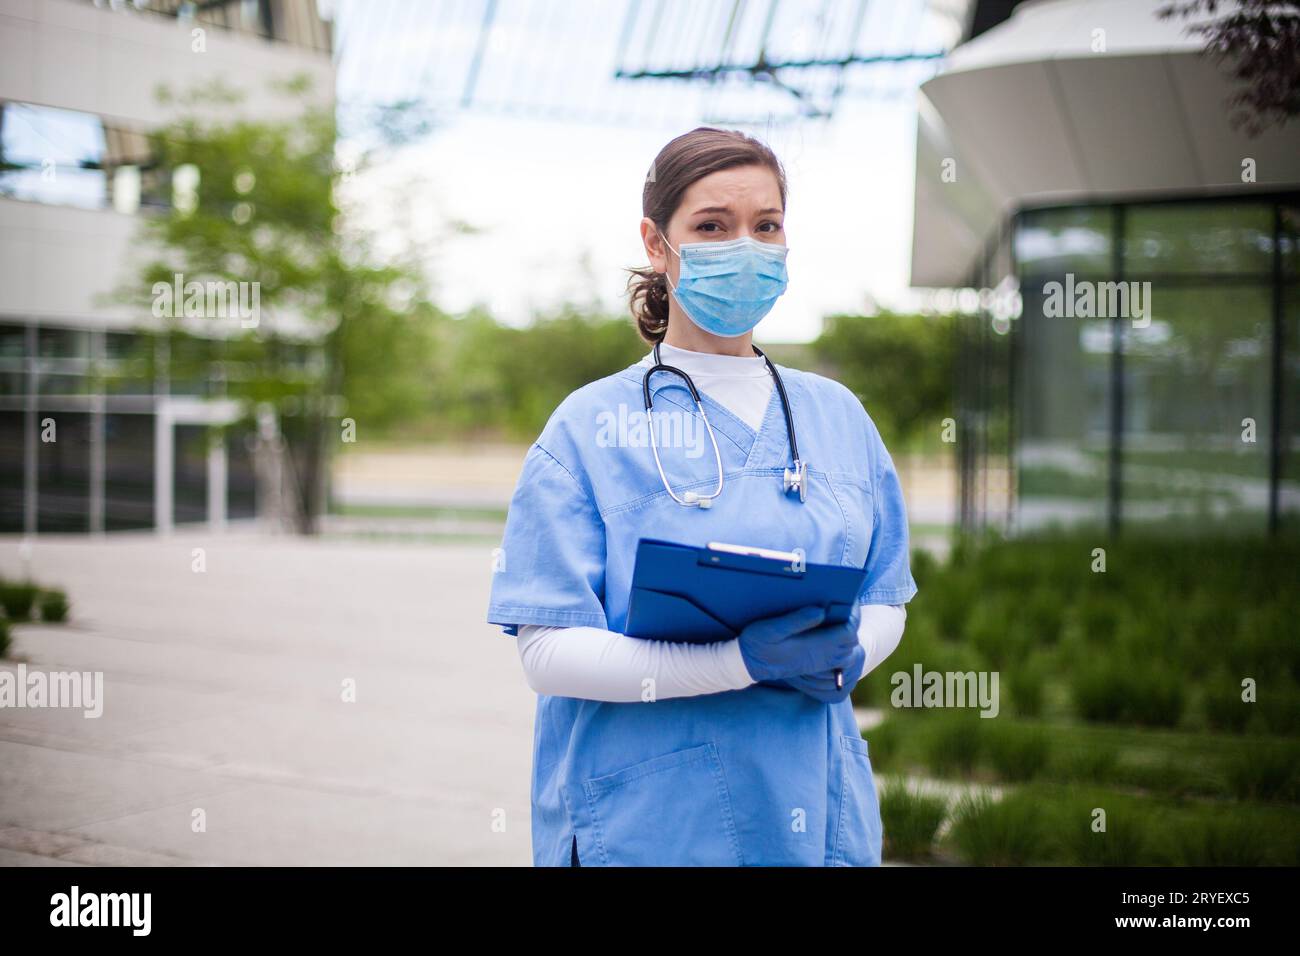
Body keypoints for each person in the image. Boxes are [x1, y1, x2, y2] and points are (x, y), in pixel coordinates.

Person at [487, 126, 917, 867]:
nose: (745, 245)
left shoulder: (837, 417)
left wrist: (853, 652)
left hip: (816, 814)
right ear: (658, 245)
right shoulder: (588, 430)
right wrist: (741, 663)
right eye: (713, 226)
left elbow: (887, 596)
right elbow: (547, 652)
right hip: (650, 824)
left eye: (767, 226)